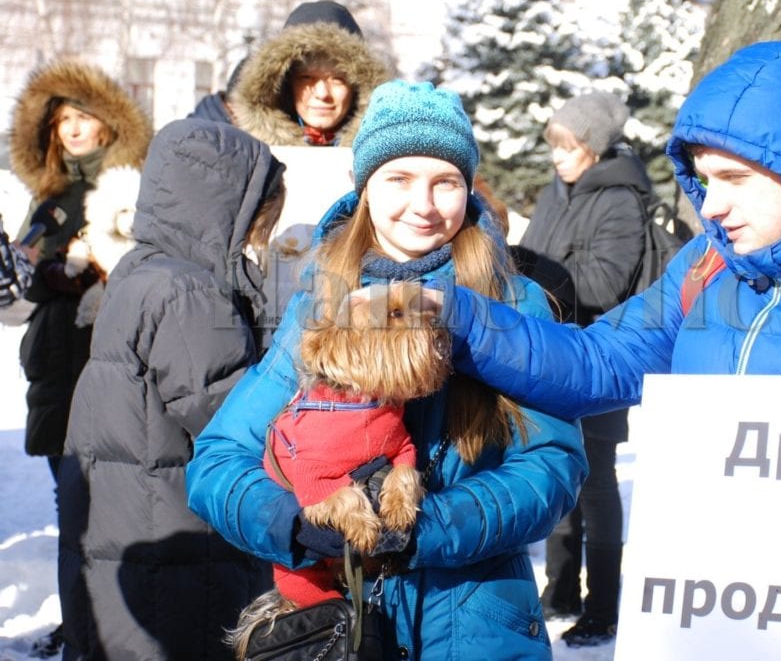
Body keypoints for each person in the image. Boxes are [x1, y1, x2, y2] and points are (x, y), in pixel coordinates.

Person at [186, 80, 588, 660]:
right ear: (366, 188)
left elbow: (553, 465)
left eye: (444, 182)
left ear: (467, 188)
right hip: (340, 625)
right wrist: (293, 523)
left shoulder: (511, 303)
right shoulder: (321, 302)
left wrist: (429, 527)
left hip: (473, 626)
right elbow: (217, 461)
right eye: (398, 179)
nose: (422, 205)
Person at [426, 41, 781, 426]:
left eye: (735, 178)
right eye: (705, 180)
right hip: (709, 602)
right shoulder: (705, 267)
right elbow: (595, 362)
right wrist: (455, 316)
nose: (714, 206)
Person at [55, 119, 286, 660]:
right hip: (179, 558)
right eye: (260, 215)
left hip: (134, 535)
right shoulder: (188, 293)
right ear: (226, 206)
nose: (262, 234)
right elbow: (232, 418)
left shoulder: (144, 271)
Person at [7, 58, 151, 658]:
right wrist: (28, 271)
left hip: (107, 359)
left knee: (108, 505)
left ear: (107, 124)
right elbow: (20, 283)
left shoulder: (128, 188)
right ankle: (80, 623)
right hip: (52, 365)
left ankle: (107, 626)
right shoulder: (46, 197)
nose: (71, 129)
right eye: (62, 119)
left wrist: (95, 269)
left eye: (82, 117)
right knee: (72, 508)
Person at [516, 91, 649, 646]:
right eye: (553, 146)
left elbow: (603, 283)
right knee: (560, 469)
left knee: (595, 485)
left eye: (566, 147)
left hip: (597, 357)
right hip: (551, 354)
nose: (557, 157)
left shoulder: (620, 199)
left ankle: (605, 605)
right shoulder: (556, 193)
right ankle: (562, 586)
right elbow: (529, 255)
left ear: (593, 148)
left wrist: (536, 271)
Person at [228, 0, 394, 147]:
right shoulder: (247, 154)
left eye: (337, 79)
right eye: (306, 78)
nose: (322, 94)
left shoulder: (386, 155)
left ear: (359, 88)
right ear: (284, 85)